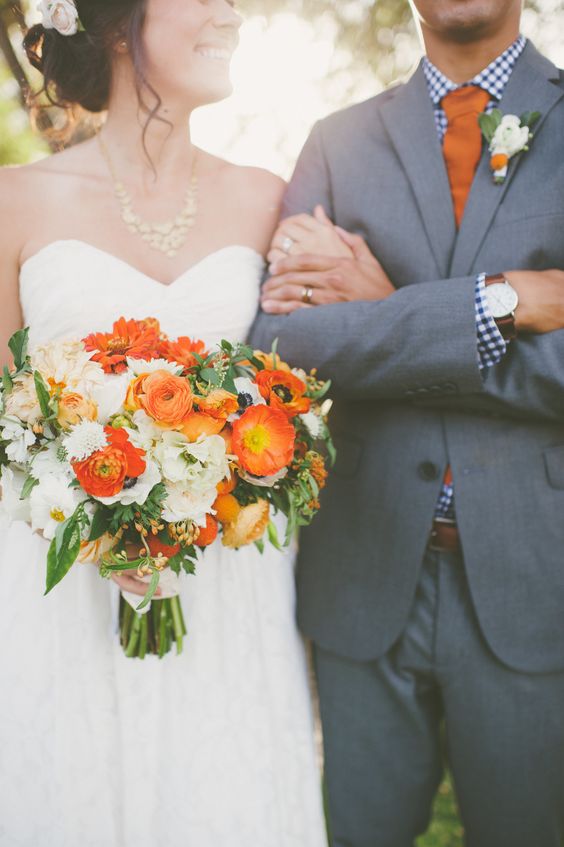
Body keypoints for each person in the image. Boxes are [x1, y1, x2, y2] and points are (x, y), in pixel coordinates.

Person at [0, 2, 328, 845]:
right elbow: (5, 415)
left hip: (229, 590)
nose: (232, 14)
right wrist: (87, 507)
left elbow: (304, 383)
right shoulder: (14, 201)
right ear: (116, 25)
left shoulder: (269, 197)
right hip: (62, 585)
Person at [251, 1, 564, 844]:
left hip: (537, 580)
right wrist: (505, 303)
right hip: (361, 576)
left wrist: (387, 309)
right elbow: (283, 340)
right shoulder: (337, 140)